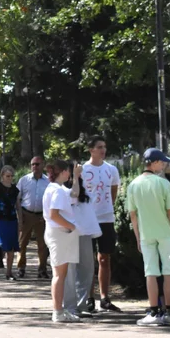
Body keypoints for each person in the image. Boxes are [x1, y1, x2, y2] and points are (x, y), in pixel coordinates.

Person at [127, 148, 170, 327]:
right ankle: (169, 310)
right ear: (155, 162)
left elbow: (133, 215)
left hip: (146, 234)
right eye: (162, 162)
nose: (164, 165)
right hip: (165, 233)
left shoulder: (133, 185)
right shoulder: (163, 184)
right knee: (169, 272)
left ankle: (154, 310)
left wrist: (137, 237)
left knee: (150, 272)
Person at [80, 136, 122, 312]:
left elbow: (113, 191)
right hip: (88, 219)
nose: (103, 150)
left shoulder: (111, 169)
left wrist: (106, 208)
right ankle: (89, 297)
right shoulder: (82, 169)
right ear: (91, 150)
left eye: (104, 146)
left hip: (106, 218)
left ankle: (104, 297)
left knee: (105, 257)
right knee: (88, 260)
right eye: (99, 147)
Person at [43, 160, 80, 324]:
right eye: (69, 171)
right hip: (59, 233)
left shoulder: (54, 189)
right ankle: (57, 311)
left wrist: (77, 178)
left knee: (60, 274)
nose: (70, 174)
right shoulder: (56, 191)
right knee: (59, 274)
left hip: (57, 232)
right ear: (64, 171)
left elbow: (74, 195)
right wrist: (72, 226)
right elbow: (54, 215)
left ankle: (59, 310)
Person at [64, 165, 100, 319]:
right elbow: (73, 196)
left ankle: (82, 304)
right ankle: (70, 307)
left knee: (86, 270)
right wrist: (75, 176)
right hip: (68, 234)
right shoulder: (63, 190)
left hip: (84, 233)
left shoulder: (85, 190)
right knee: (70, 272)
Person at [16, 157, 50, 280]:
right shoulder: (24, 180)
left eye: (37, 164)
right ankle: (21, 268)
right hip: (26, 214)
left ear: (43, 165)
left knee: (42, 244)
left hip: (42, 216)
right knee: (22, 243)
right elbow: (17, 199)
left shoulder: (48, 181)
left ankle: (42, 269)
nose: (34, 166)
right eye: (32, 164)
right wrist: (20, 216)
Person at [0, 166, 19, 280]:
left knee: (11, 248)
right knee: (1, 246)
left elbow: (18, 206)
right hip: (0, 220)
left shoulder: (15, 190)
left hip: (12, 220)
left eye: (11, 176)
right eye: (7, 176)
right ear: (2, 176)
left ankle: (9, 273)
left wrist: (20, 220)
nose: (9, 178)